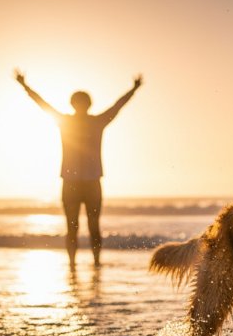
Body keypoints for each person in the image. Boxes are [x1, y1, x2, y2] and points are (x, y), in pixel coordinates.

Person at [15, 70, 142, 267]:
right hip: (81, 182)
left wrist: (134, 89)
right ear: (82, 104)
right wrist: (25, 86)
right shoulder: (91, 121)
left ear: (76, 104)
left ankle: (87, 263)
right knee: (81, 227)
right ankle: (82, 264)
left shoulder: (76, 121)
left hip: (81, 182)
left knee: (84, 227)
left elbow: (118, 105)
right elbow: (118, 106)